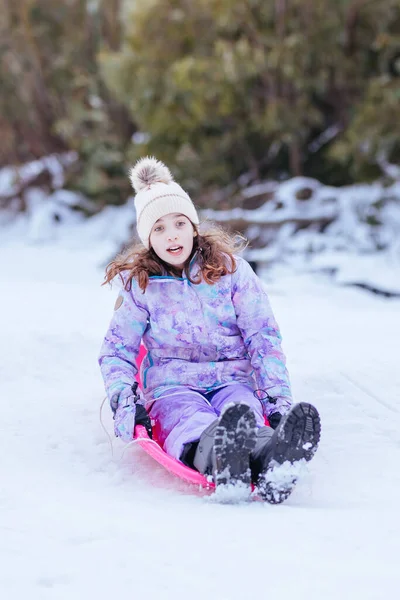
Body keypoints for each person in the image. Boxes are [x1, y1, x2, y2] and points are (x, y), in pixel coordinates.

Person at [99, 156, 321, 503]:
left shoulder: (231, 271)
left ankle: (274, 460)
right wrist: (127, 402)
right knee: (188, 421)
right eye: (158, 228)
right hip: (173, 385)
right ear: (147, 238)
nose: (171, 235)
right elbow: (117, 350)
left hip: (232, 378)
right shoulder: (141, 286)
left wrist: (276, 400)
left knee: (242, 414)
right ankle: (221, 459)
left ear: (193, 226)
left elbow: (262, 337)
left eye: (179, 223)